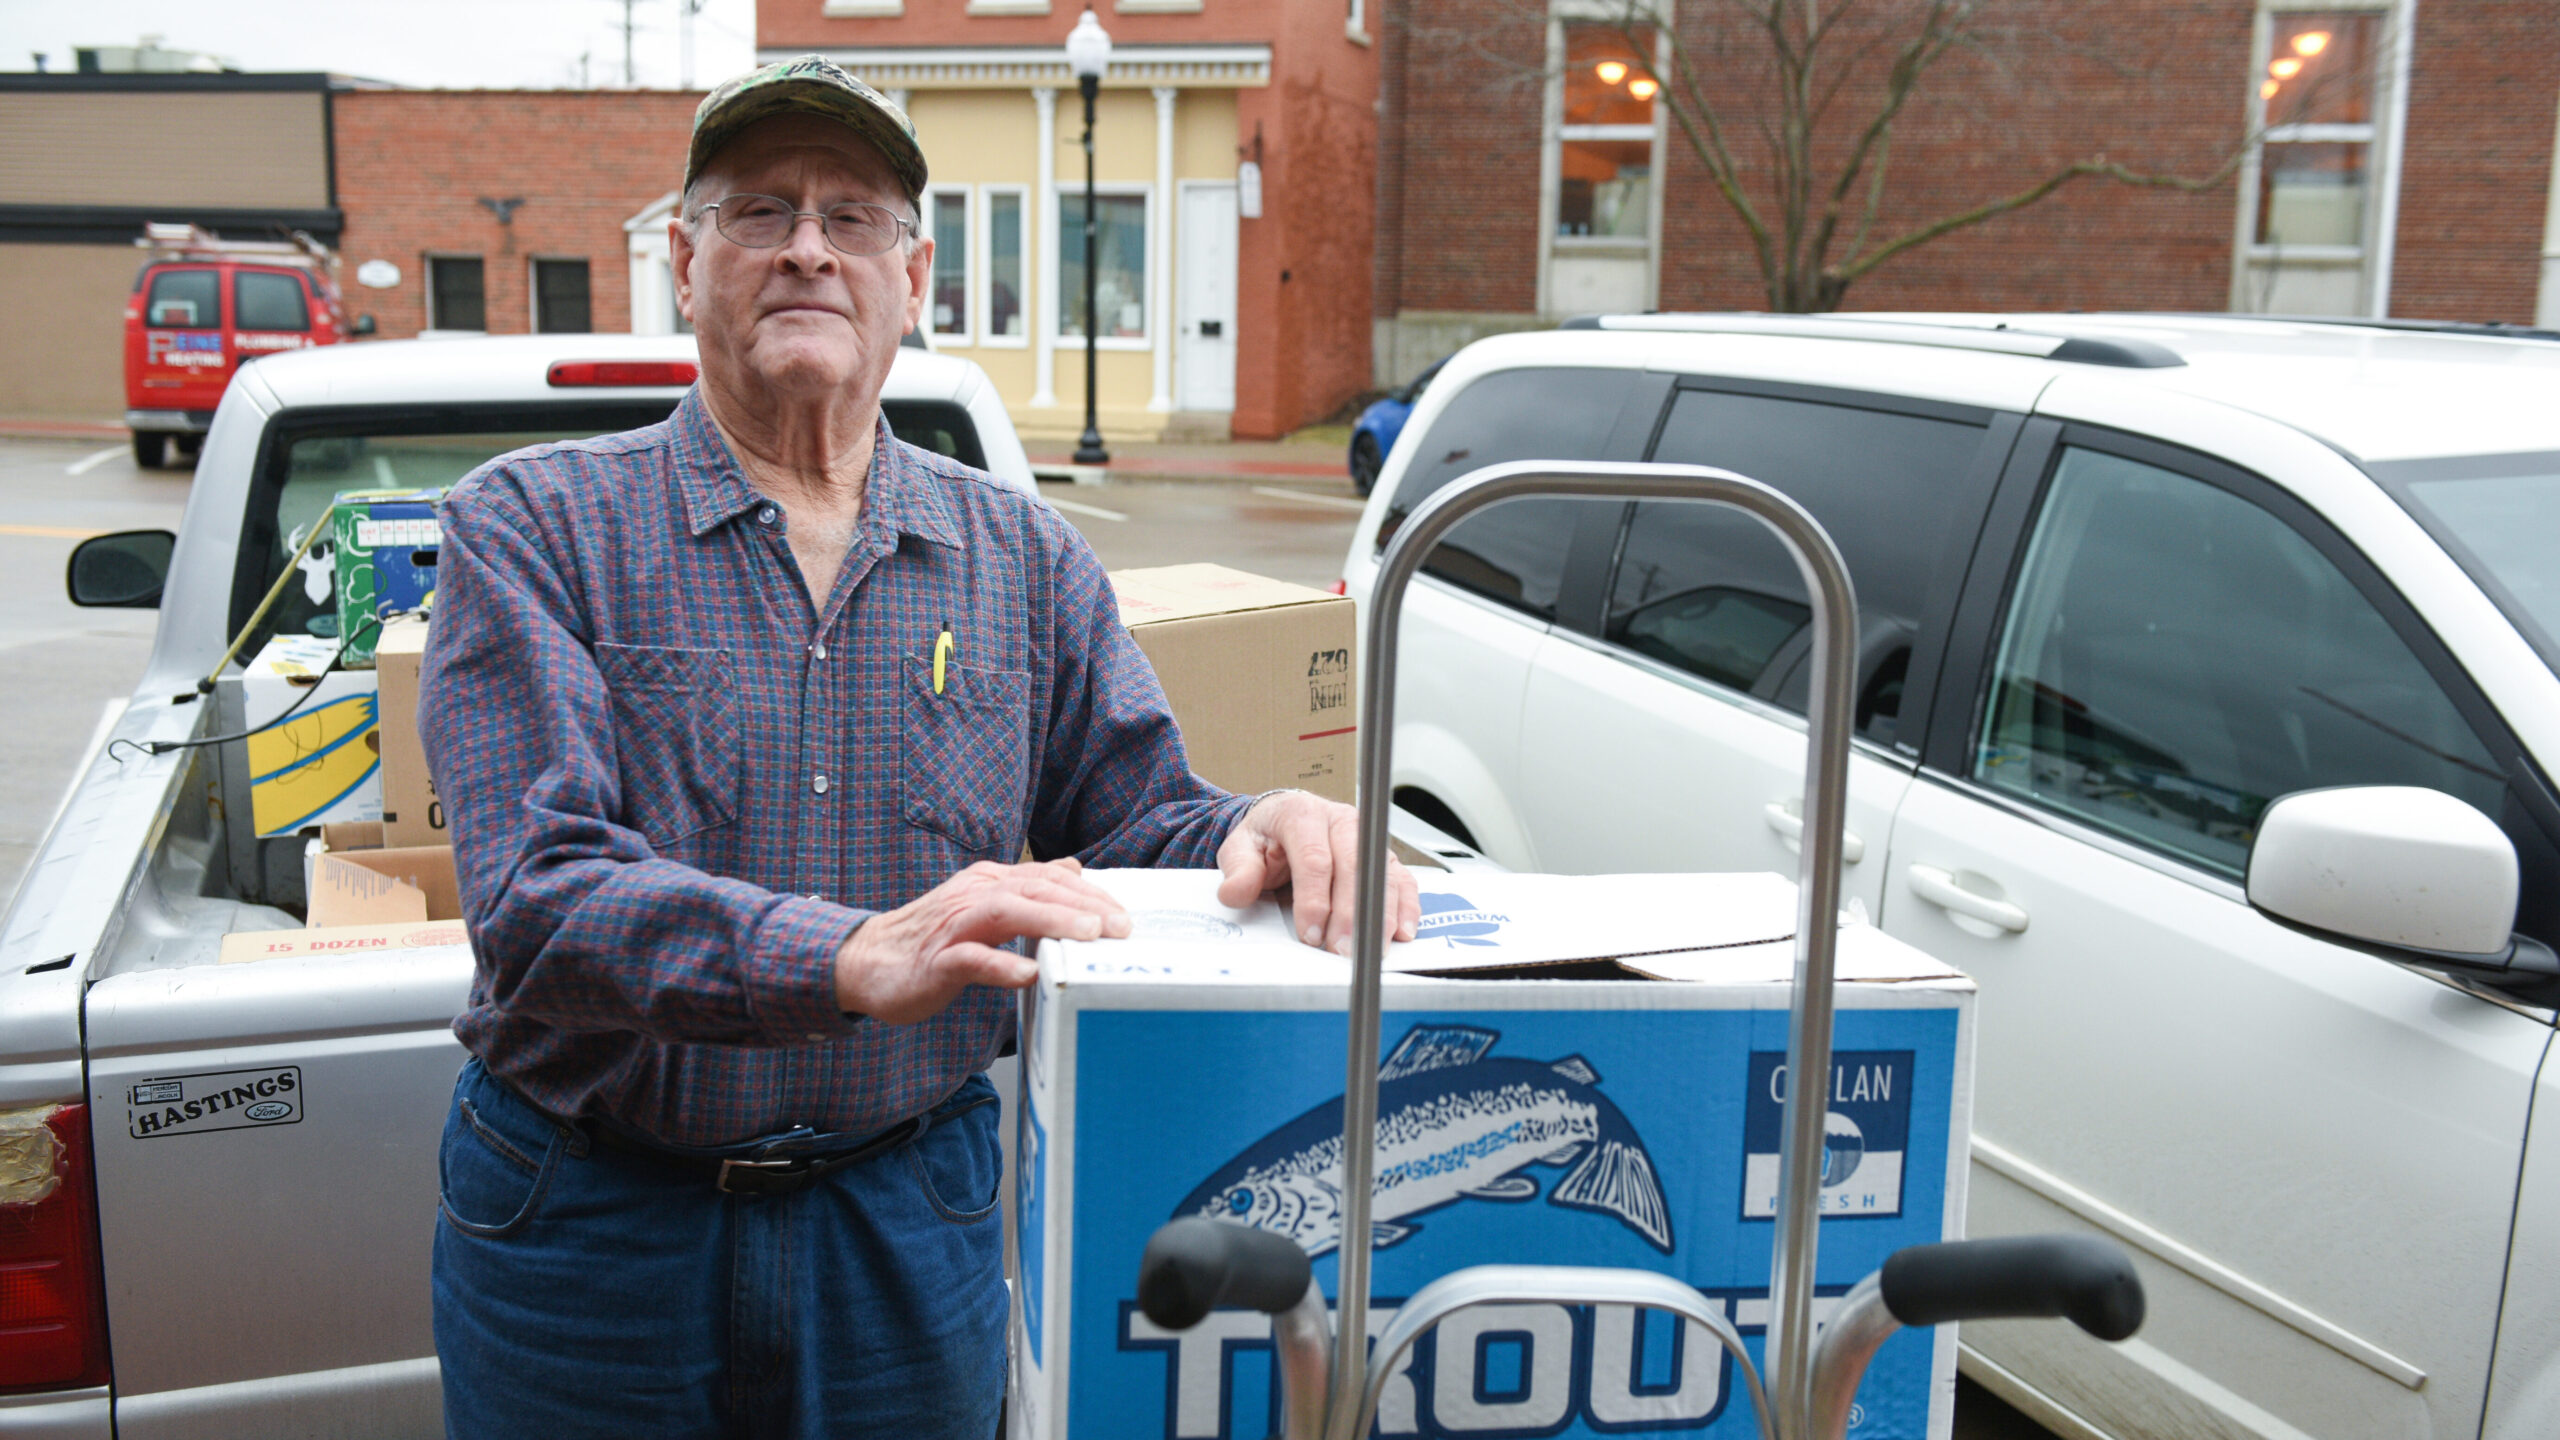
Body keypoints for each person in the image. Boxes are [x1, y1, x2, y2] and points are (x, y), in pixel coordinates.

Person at [416, 54, 1418, 1440]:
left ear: (915, 272)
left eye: (855, 216)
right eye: (761, 212)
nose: (809, 249)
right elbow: (536, 898)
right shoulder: (533, 527)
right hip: (594, 1233)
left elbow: (1141, 818)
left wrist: (1262, 825)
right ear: (685, 257)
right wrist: (840, 957)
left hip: (908, 1224)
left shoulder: (1021, 557)